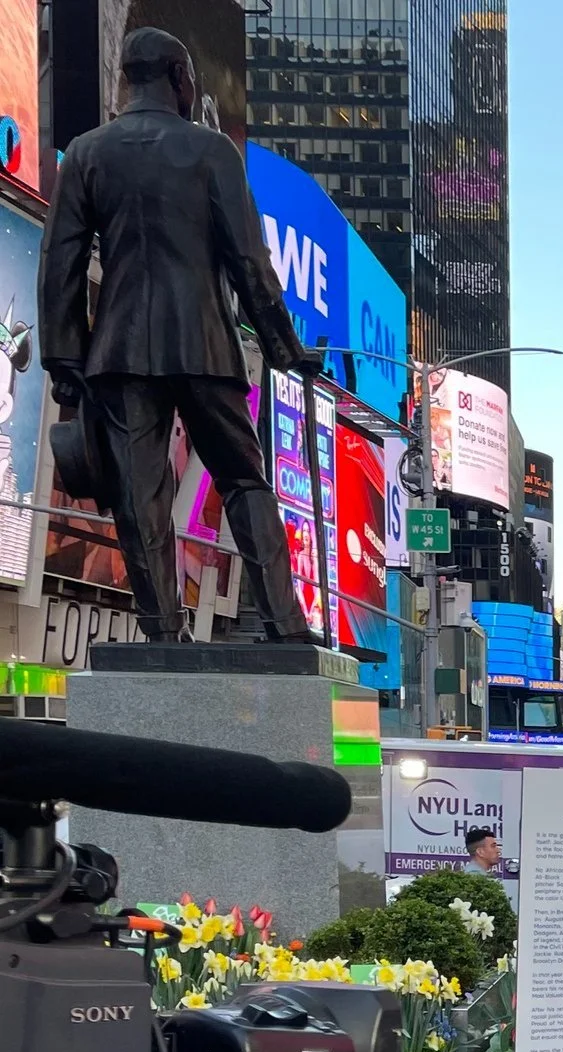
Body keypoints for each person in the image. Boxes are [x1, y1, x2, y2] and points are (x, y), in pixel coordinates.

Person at [39, 28, 318, 643]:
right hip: (205, 346)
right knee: (244, 479)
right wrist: (284, 348)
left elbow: (58, 264)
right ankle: (287, 626)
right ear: (178, 78)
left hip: (119, 350)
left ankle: (163, 633)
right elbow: (251, 264)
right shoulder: (213, 152)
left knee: (140, 499)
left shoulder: (87, 152)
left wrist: (64, 359)